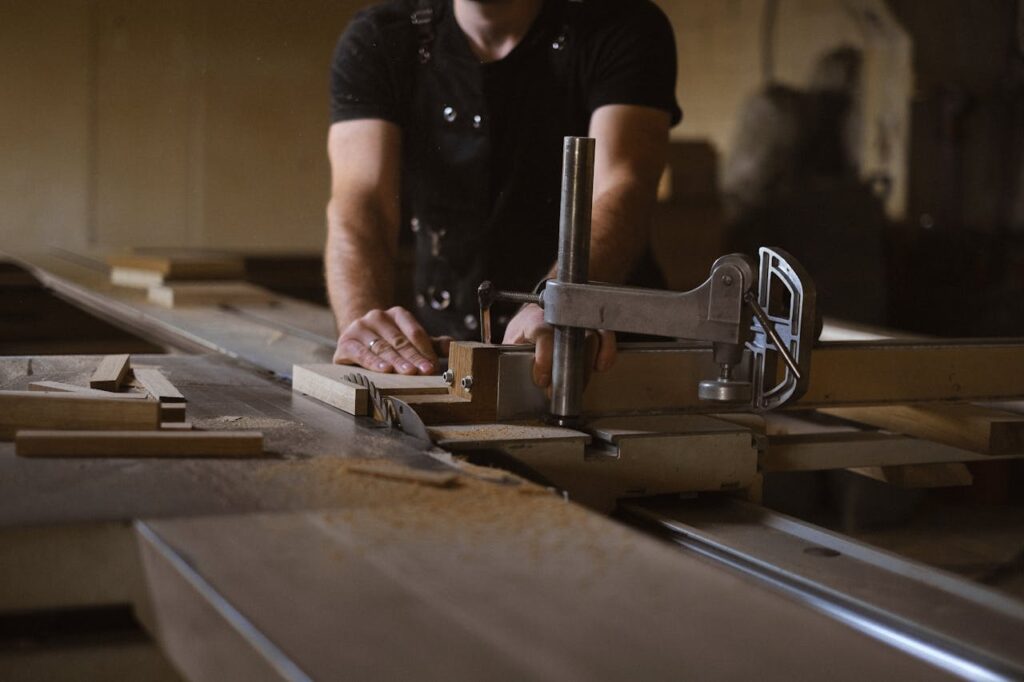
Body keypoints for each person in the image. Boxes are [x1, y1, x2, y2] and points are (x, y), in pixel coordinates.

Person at [326, 0, 681, 390]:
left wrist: (558, 301)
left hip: (604, 358)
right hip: (447, 358)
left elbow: (623, 185)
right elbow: (362, 201)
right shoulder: (381, 37)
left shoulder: (622, 25)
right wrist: (365, 327)